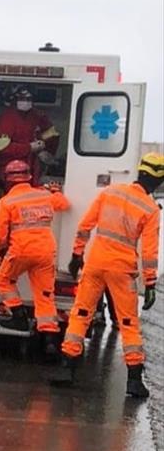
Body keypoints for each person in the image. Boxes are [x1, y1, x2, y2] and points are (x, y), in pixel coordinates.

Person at [51, 152, 162, 398]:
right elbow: (150, 251)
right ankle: (134, 379)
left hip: (95, 263)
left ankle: (66, 367)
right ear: (158, 181)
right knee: (128, 323)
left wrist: (76, 255)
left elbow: (85, 225)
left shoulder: (110, 192)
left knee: (80, 313)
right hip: (122, 270)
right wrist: (151, 282)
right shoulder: (151, 208)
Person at [0, 158, 70, 355]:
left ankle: (18, 318)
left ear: (8, 180)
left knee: (3, 281)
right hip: (45, 251)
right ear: (29, 177)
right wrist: (55, 191)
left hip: (21, 250)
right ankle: (50, 340)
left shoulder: (6, 202)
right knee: (45, 295)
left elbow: (1, 236)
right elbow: (63, 204)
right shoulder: (44, 195)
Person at [0, 86, 60, 185]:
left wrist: (46, 151)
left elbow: (52, 135)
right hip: (10, 170)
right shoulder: (7, 118)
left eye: (29, 99)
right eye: (22, 98)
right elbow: (3, 148)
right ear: (14, 99)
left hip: (34, 167)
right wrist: (29, 148)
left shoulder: (37, 116)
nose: (26, 102)